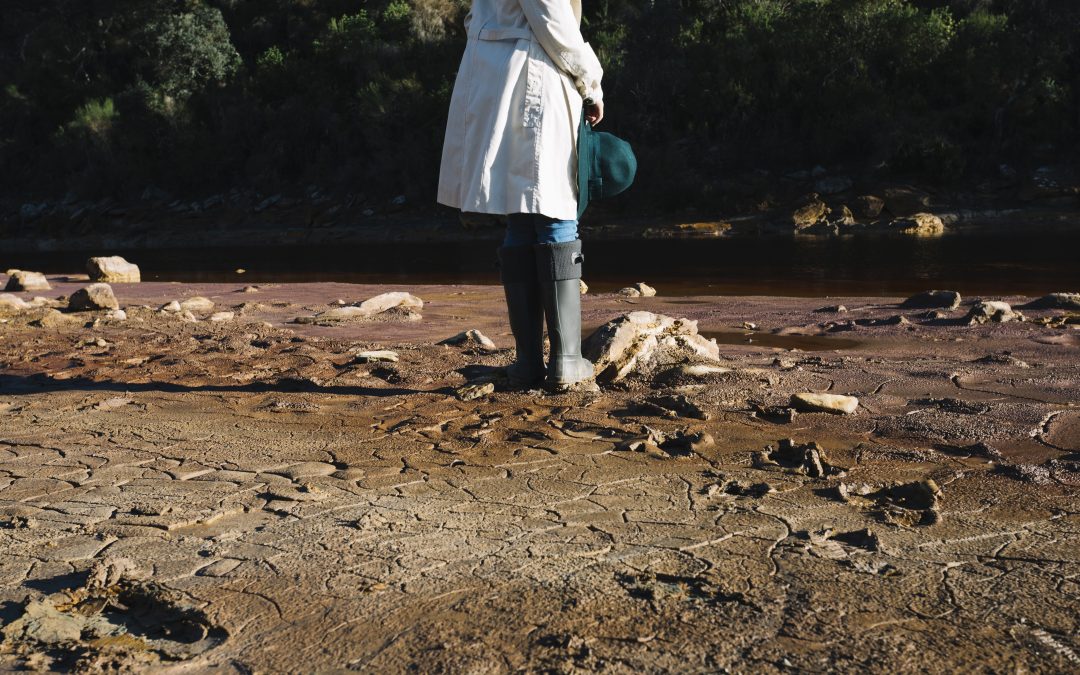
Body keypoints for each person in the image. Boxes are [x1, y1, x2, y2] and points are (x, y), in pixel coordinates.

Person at [437, 0, 604, 390]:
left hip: (495, 76)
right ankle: (564, 361)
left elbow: (473, 17)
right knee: (554, 209)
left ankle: (528, 362)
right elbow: (553, 21)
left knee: (521, 210)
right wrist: (591, 81)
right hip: (533, 73)